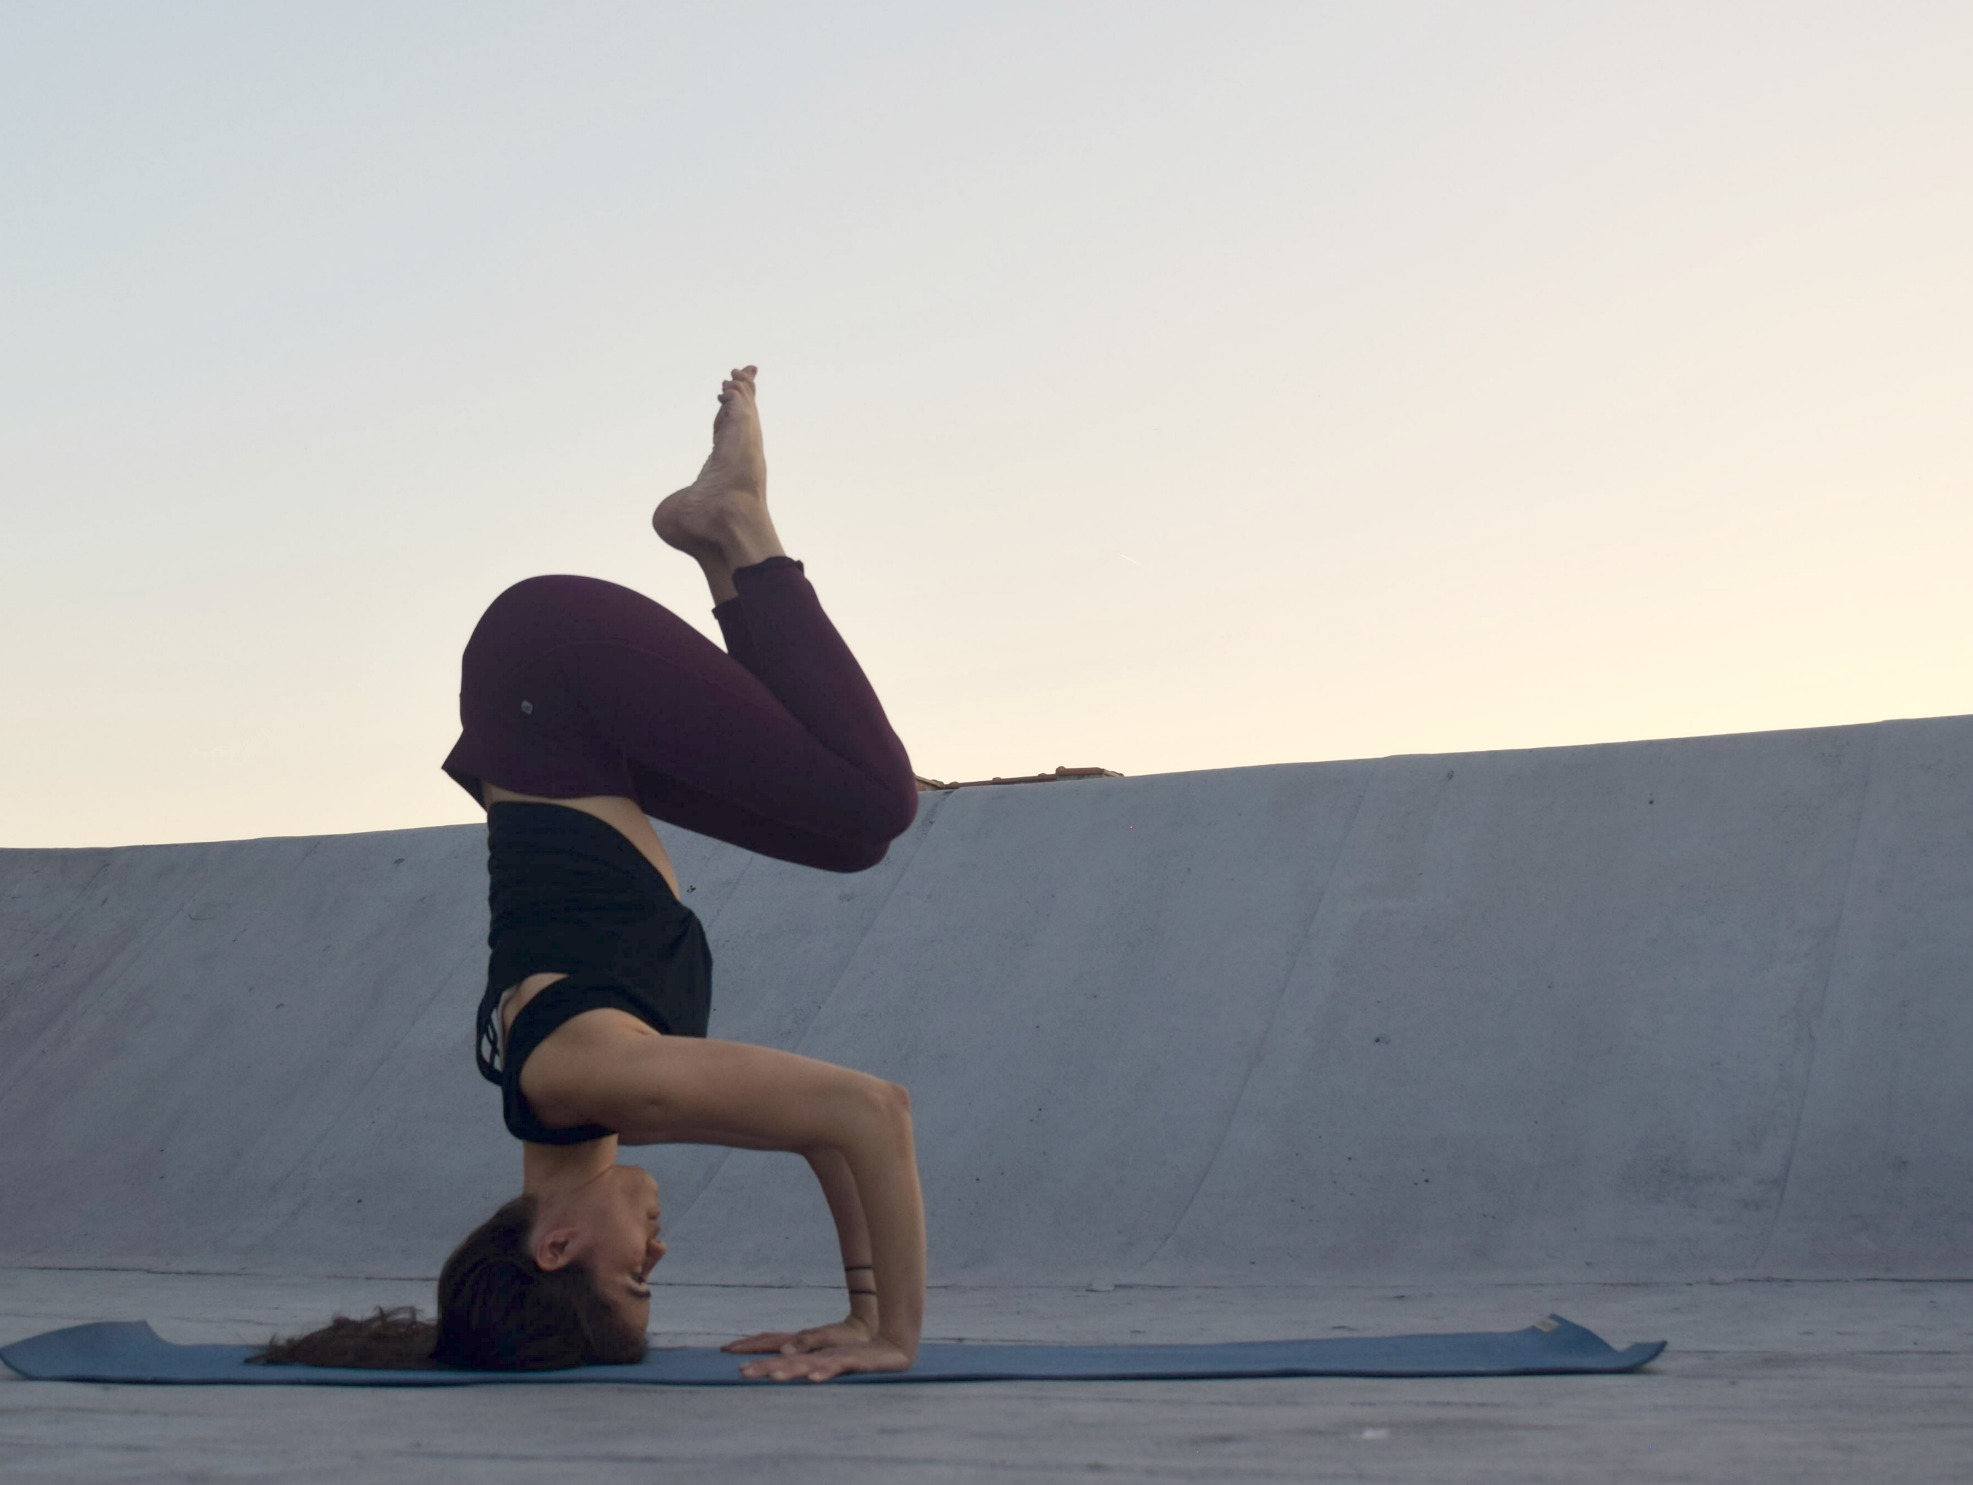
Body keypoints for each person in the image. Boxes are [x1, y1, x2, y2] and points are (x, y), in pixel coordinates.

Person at [258, 367, 927, 1383]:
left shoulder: (591, 1079)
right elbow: (825, 1139)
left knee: (874, 803)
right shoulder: (584, 1106)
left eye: (639, 1278)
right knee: (849, 836)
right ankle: (719, 537)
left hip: (551, 668)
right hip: (569, 726)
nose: (660, 1254)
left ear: (557, 1248)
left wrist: (894, 1339)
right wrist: (857, 1306)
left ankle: (737, 523)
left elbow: (871, 1112)